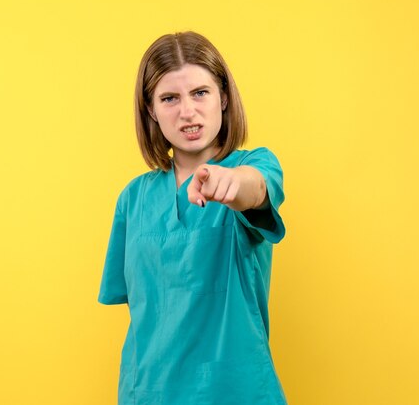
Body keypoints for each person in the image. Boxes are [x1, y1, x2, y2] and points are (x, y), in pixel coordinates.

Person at [98, 31, 288, 404]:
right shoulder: (133, 199)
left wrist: (230, 183)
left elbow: (256, 188)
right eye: (169, 98)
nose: (187, 111)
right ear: (150, 109)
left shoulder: (253, 166)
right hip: (148, 393)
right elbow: (147, 315)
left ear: (223, 98)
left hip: (235, 392)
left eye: (200, 93)